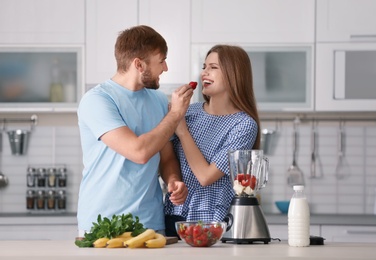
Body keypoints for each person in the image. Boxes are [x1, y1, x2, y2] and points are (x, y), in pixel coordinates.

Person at [77, 25, 194, 236]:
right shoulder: (97, 100)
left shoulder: (158, 100)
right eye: (161, 61)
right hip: (101, 224)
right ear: (139, 64)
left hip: (150, 223)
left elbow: (166, 157)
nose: (166, 68)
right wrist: (175, 114)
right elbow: (138, 152)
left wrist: (173, 181)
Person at [164, 44, 261, 237]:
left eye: (213, 68)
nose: (204, 73)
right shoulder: (188, 112)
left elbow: (206, 177)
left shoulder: (244, 125)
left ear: (235, 74)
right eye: (204, 67)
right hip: (174, 216)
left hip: (212, 222)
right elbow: (166, 157)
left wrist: (182, 131)